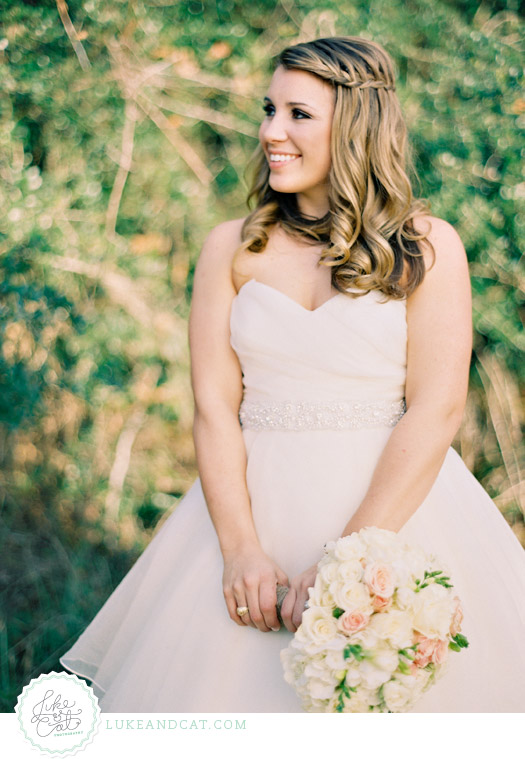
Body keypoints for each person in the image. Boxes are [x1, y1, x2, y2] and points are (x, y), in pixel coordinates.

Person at [59, 36, 525, 712]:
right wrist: (241, 548)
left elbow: (436, 409)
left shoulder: (426, 247)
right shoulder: (231, 246)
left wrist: (350, 562)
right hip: (250, 518)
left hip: (393, 513)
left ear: (356, 126)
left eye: (298, 114)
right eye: (268, 109)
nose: (271, 132)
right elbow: (214, 408)